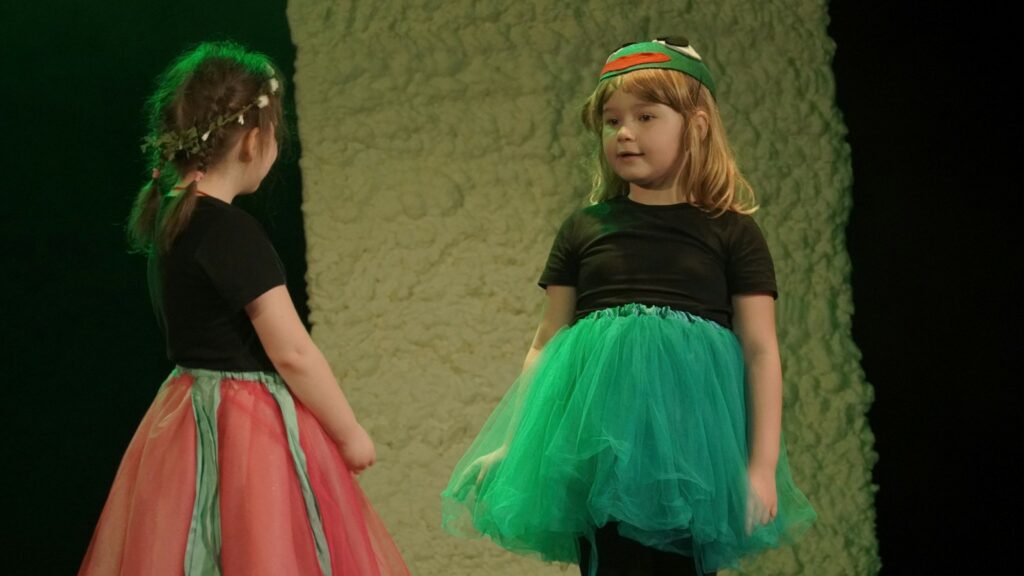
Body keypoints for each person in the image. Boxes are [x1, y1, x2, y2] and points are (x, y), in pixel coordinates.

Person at [441, 38, 816, 575]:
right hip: (598, 453)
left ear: (697, 126)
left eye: (645, 116)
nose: (624, 132)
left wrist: (760, 467)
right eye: (612, 120)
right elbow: (547, 343)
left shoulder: (732, 233)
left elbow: (760, 350)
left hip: (690, 455)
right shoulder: (585, 228)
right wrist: (514, 443)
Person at [79, 41, 409, 576]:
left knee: (199, 549)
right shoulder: (229, 230)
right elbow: (293, 351)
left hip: (186, 413)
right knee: (258, 549)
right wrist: (349, 433)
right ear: (254, 140)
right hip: (244, 423)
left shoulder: (170, 214)